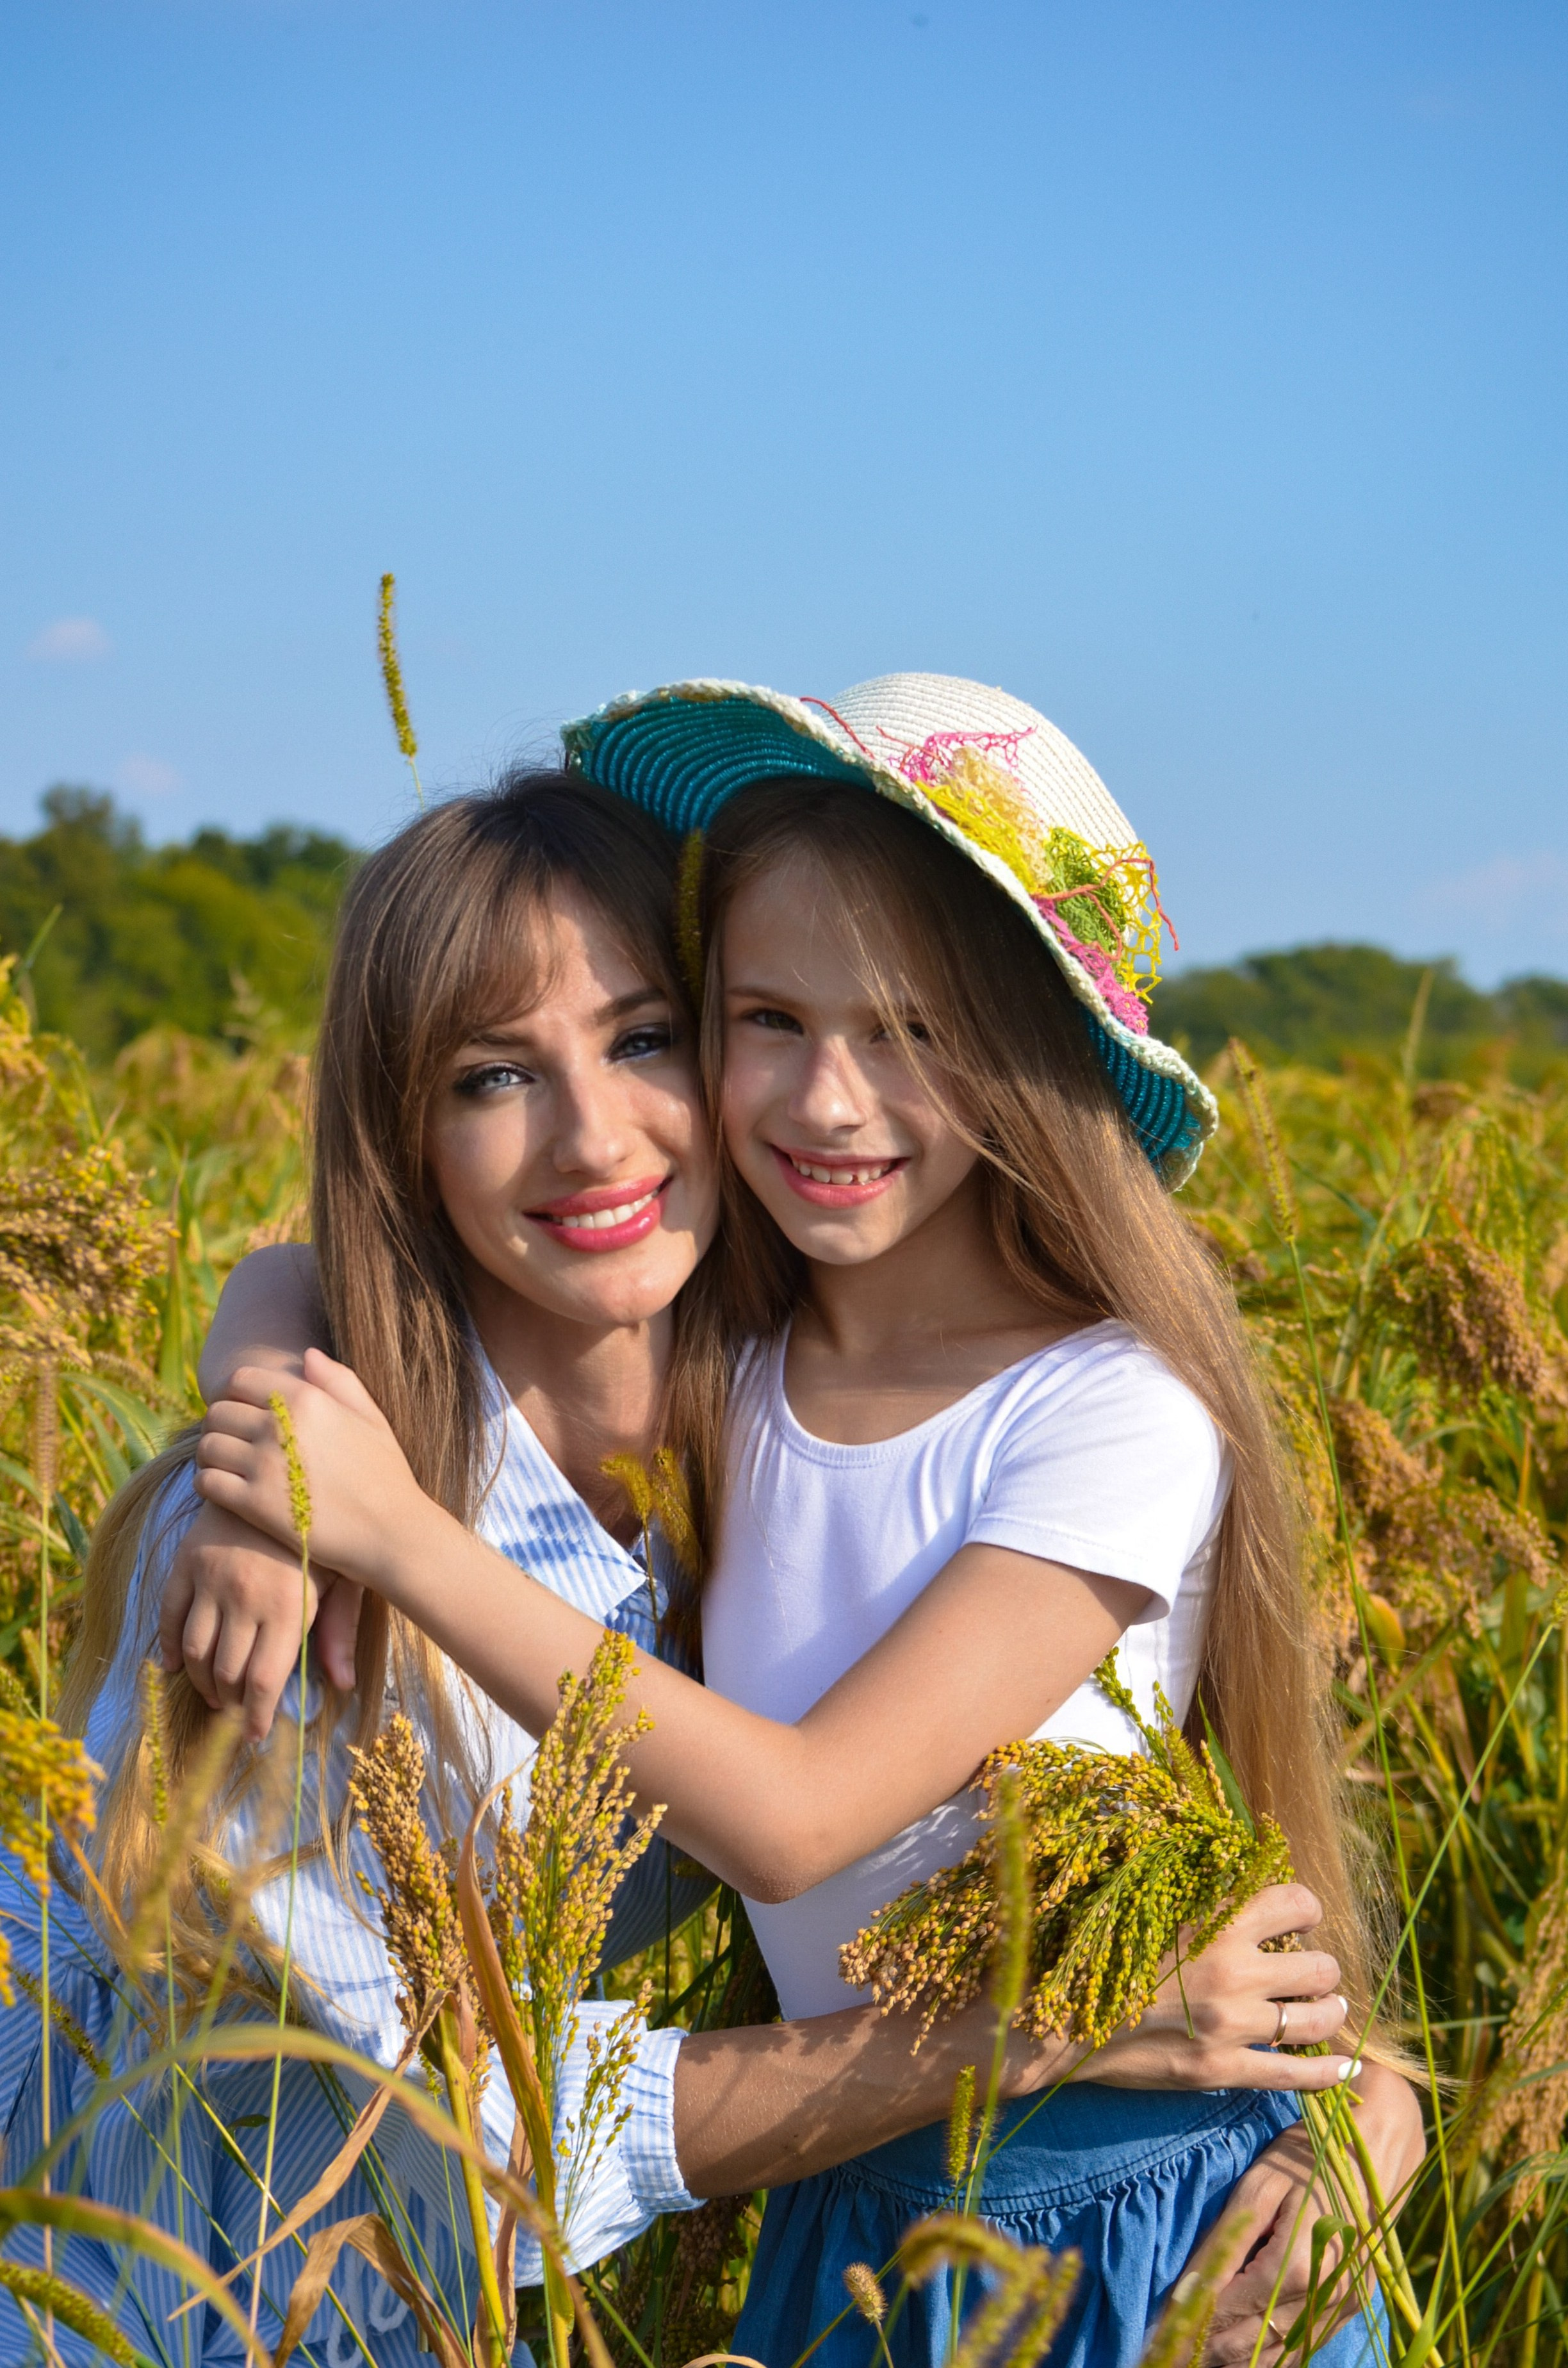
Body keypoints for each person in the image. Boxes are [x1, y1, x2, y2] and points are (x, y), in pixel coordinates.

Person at [0, 768, 1318, 2368]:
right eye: (493, 1078)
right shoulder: (294, 1564)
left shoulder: (765, 1431)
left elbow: (1202, 1816)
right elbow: (475, 2143)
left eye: (640, 1040)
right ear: (401, 1135)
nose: (593, 1136)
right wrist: (1042, 2028)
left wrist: (1353, 2111)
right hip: (140, 2292)